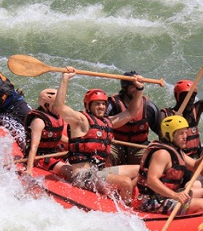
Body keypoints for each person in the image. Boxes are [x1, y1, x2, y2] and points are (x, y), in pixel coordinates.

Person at [51, 67, 144, 203]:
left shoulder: (108, 122)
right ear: (88, 106)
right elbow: (59, 107)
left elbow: (131, 113)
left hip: (99, 172)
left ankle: (119, 195)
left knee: (140, 170)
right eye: (97, 104)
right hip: (83, 176)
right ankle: (125, 210)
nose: (101, 107)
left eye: (103, 104)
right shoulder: (80, 121)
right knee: (125, 182)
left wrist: (139, 90)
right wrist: (65, 79)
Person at [133, 115, 203, 215]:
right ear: (170, 135)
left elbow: (196, 167)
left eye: (185, 132)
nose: (185, 136)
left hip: (165, 197)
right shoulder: (162, 154)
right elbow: (151, 181)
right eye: (181, 133)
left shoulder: (177, 151)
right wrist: (175, 195)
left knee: (200, 192)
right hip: (152, 202)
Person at [158, 46, 203, 159]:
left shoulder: (196, 109)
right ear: (178, 97)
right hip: (177, 160)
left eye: (193, 96)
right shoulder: (166, 115)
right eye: (186, 96)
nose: (191, 100)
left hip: (195, 158)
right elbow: (163, 139)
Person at [106, 71, 161, 166]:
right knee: (105, 153)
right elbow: (101, 126)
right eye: (132, 87)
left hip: (139, 147)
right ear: (124, 88)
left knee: (154, 158)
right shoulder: (111, 105)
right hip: (117, 145)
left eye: (137, 87)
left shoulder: (149, 107)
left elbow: (161, 132)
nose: (135, 89)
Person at [23, 88, 71, 178]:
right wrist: (29, 169)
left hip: (53, 152)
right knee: (71, 171)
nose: (60, 107)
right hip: (40, 158)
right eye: (57, 105)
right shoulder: (39, 121)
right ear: (46, 105)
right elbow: (34, 146)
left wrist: (74, 144)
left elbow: (57, 136)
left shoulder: (56, 116)